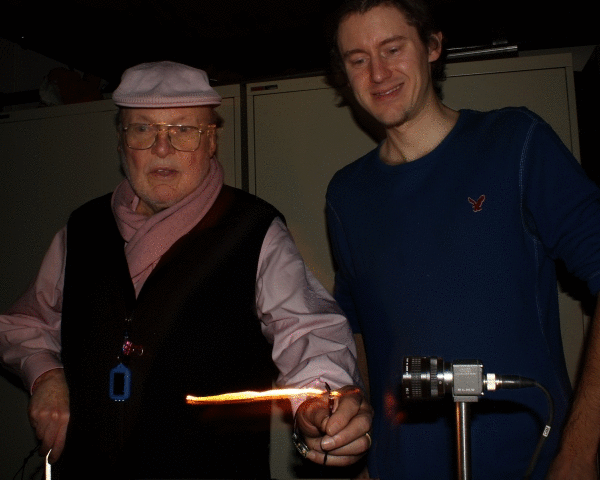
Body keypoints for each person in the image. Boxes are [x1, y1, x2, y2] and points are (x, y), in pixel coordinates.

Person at [0, 60, 372, 479]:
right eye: (143, 129)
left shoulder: (253, 230)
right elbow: (24, 324)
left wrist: (323, 402)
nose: (162, 147)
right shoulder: (82, 229)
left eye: (183, 129)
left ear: (211, 141)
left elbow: (307, 330)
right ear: (121, 142)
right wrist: (46, 376)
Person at [325, 1, 600, 479]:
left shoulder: (515, 142)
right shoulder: (346, 195)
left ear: (432, 46)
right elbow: (358, 328)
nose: (378, 73)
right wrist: (367, 446)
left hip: (529, 464)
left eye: (393, 49)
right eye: (358, 59)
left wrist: (580, 452)